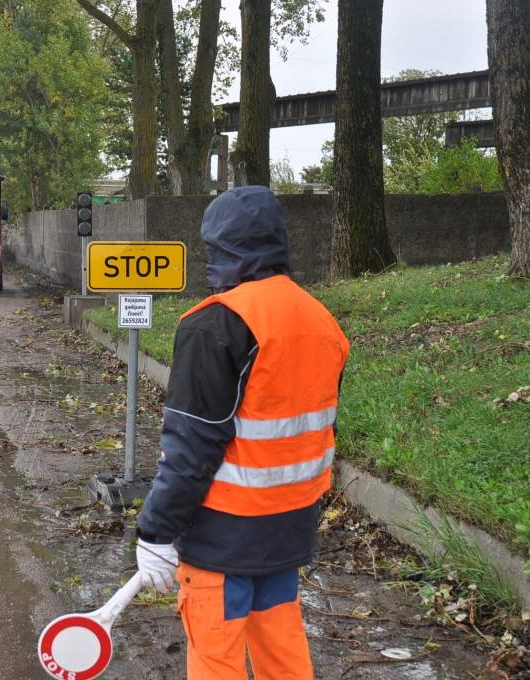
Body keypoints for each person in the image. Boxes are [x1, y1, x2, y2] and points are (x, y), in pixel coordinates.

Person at [134, 185, 350, 680]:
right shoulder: (321, 320)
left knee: (216, 656)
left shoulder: (216, 324)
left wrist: (157, 530)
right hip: (291, 524)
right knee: (282, 652)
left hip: (224, 533)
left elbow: (191, 446)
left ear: (221, 246)